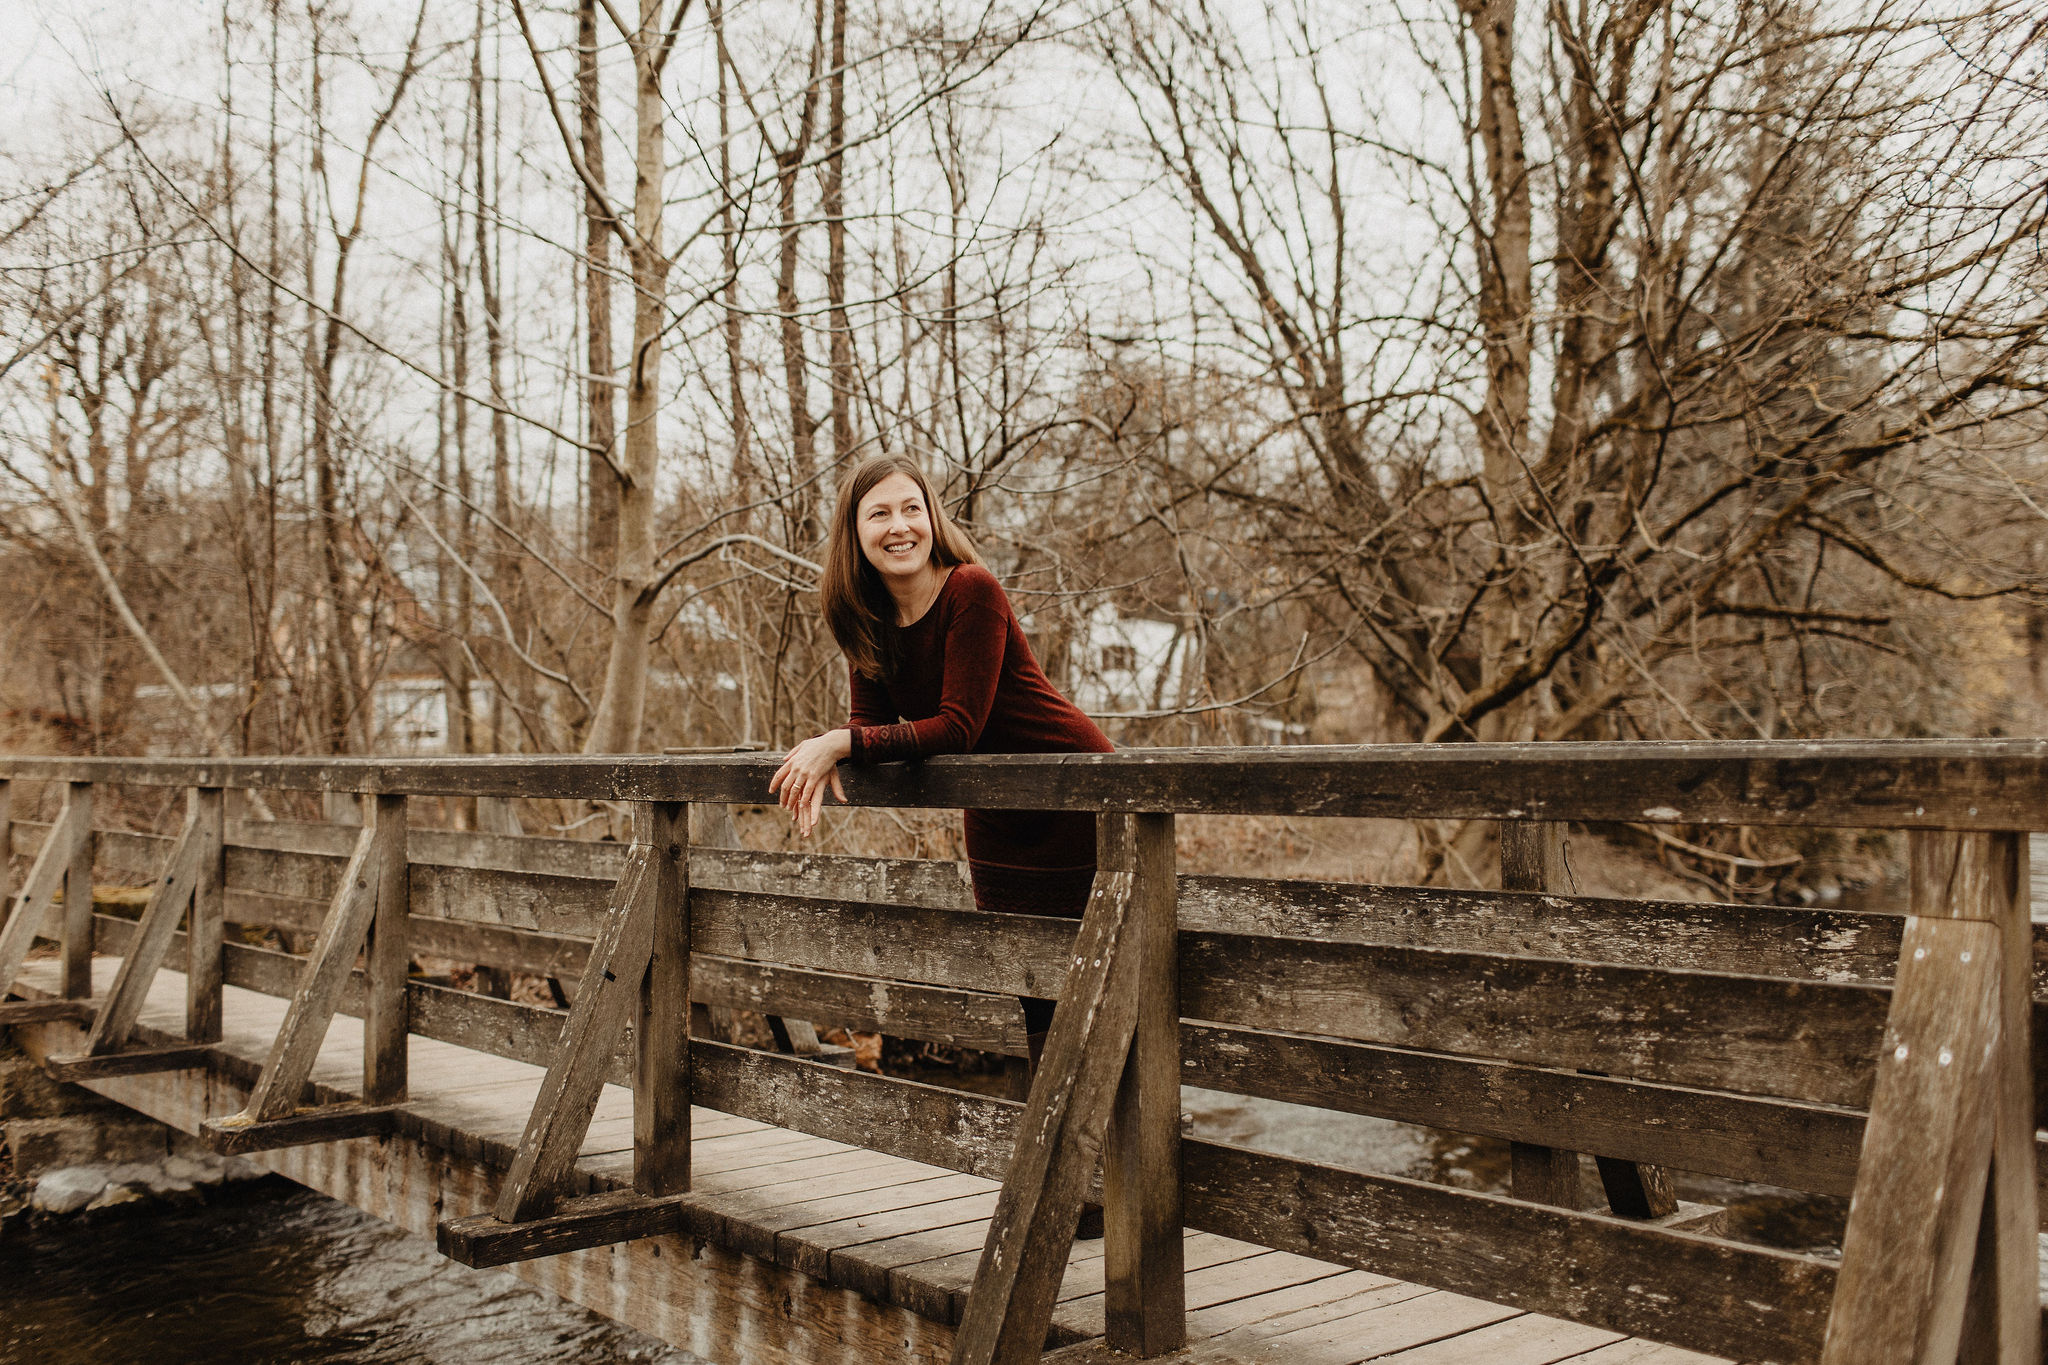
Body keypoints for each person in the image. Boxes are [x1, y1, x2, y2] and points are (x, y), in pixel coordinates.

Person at [768, 453, 1115, 1053]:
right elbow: (870, 723)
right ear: (855, 532)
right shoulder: (865, 616)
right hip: (996, 811)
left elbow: (958, 728)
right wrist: (833, 750)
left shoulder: (970, 590)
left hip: (1073, 795)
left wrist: (838, 744)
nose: (900, 526)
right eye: (880, 514)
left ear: (932, 517)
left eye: (912, 508)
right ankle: (1053, 1114)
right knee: (1030, 995)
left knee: (1100, 991)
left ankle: (1115, 1113)